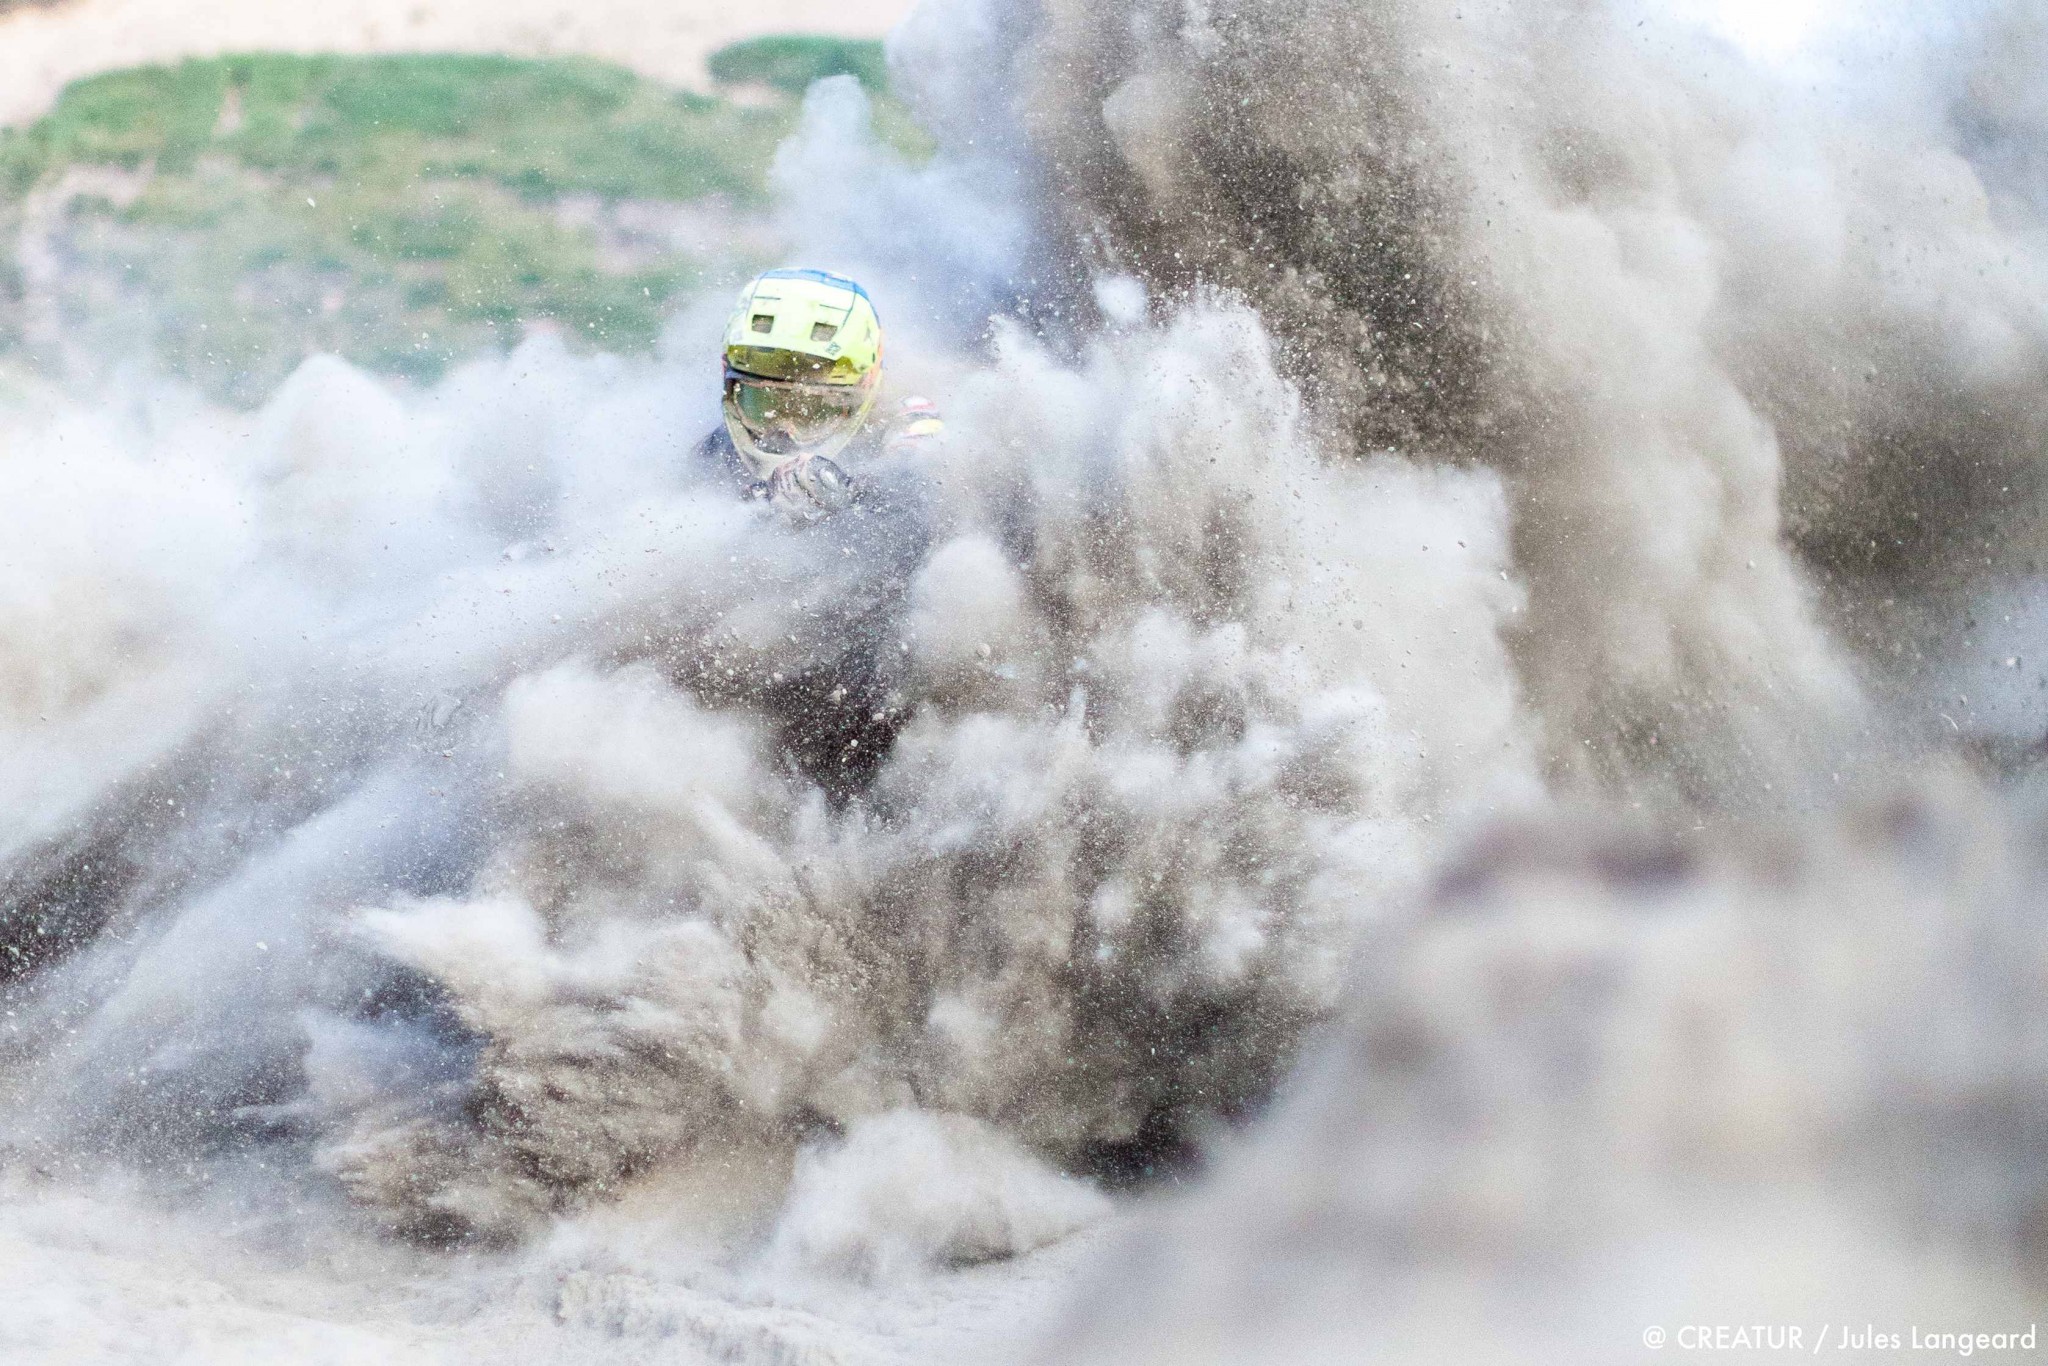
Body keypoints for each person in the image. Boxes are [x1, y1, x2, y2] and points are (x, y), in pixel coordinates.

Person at [694, 268, 942, 517]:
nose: (784, 433)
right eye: (763, 404)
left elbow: (920, 488)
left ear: (864, 385)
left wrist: (843, 490)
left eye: (811, 409)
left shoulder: (911, 418)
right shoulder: (717, 453)